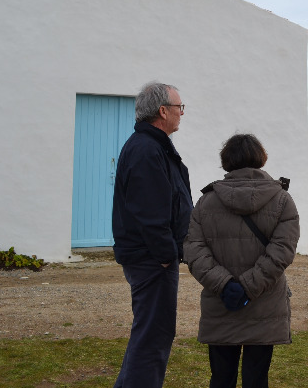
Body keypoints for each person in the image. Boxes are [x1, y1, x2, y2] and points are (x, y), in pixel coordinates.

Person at [184, 134, 300, 388]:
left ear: (226, 160)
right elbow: (283, 250)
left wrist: (226, 285)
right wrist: (248, 286)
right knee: (257, 379)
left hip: (221, 301)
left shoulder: (206, 201)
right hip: (264, 302)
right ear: (260, 158)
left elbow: (194, 250)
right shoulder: (282, 200)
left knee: (221, 378)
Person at [111, 82, 193, 387]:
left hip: (152, 258)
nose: (182, 113)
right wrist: (165, 256)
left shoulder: (153, 146)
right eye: (179, 107)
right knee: (152, 338)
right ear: (162, 111)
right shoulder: (147, 149)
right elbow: (149, 211)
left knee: (150, 334)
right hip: (152, 261)